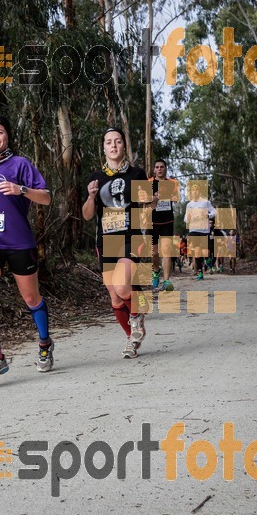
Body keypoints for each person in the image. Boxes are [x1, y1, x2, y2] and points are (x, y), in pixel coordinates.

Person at [0, 116, 53, 381]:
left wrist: (20, 189)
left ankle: (45, 345)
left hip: (18, 242)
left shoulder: (20, 164)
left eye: (0, 132)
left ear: (7, 137)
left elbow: (46, 197)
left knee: (31, 299)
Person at [82, 128, 157, 359]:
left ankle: (137, 315)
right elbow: (86, 215)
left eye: (117, 141)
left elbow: (148, 206)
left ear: (124, 146)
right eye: (108, 142)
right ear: (103, 148)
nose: (113, 146)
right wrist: (91, 197)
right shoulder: (95, 178)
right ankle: (131, 339)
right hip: (105, 240)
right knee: (114, 296)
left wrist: (152, 200)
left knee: (123, 287)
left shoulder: (136, 174)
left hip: (131, 236)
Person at [149, 159, 178, 292]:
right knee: (154, 252)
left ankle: (166, 281)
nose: (159, 169)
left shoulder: (172, 183)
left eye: (162, 167)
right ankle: (156, 271)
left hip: (167, 221)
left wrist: (167, 195)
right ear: (154, 170)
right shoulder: (149, 183)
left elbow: (176, 200)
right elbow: (143, 202)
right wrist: (153, 199)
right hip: (152, 221)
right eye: (157, 167)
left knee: (166, 251)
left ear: (165, 169)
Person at [184, 181, 215, 280]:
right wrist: (188, 218)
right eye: (193, 190)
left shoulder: (205, 202)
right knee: (197, 251)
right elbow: (185, 218)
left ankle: (207, 260)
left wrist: (208, 215)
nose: (195, 191)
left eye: (197, 189)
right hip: (193, 230)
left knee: (205, 251)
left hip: (204, 230)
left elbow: (214, 212)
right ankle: (200, 272)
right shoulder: (189, 205)